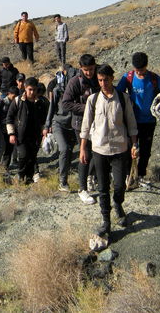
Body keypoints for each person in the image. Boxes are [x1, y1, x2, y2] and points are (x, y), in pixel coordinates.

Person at [80, 64, 138, 237]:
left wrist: (134, 144)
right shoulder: (93, 99)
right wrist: (83, 148)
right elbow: (86, 125)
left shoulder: (123, 98)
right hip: (99, 149)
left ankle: (118, 204)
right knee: (103, 187)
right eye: (100, 80)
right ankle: (106, 221)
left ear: (112, 78)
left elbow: (131, 123)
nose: (103, 83)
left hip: (120, 148)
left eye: (106, 79)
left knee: (120, 185)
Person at [116, 52, 160, 186]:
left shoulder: (153, 78)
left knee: (146, 150)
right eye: (137, 70)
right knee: (131, 149)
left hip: (149, 121)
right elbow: (118, 94)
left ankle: (140, 176)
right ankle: (128, 176)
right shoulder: (128, 77)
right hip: (131, 121)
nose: (140, 73)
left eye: (142, 70)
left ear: (146, 65)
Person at [61, 54, 100, 205]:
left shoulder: (99, 77)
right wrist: (87, 107)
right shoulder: (74, 82)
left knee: (99, 152)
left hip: (98, 123)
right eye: (86, 70)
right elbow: (66, 103)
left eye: (91, 69)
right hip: (80, 124)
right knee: (85, 154)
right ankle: (82, 189)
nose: (89, 72)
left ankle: (92, 177)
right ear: (80, 68)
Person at [43, 64, 79, 191]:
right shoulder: (57, 90)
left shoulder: (77, 89)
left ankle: (68, 174)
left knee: (69, 151)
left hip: (73, 124)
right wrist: (47, 126)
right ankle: (62, 181)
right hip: (58, 123)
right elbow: (52, 107)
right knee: (64, 149)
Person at [7, 77, 46, 184]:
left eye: (34, 89)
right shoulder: (18, 101)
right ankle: (20, 175)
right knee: (23, 155)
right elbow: (9, 117)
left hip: (35, 135)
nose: (32, 92)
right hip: (21, 135)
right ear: (25, 88)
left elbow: (44, 120)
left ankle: (29, 178)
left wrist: (44, 133)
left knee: (32, 157)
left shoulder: (40, 103)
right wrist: (11, 134)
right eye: (30, 89)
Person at [0, 86, 19, 170]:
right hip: (2, 127)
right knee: (1, 147)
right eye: (13, 96)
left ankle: (5, 166)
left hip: (11, 128)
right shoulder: (2, 102)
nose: (14, 98)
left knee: (9, 148)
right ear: (9, 94)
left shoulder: (16, 103)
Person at [33, 82, 50, 182]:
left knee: (34, 150)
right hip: (37, 128)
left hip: (40, 128)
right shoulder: (31, 101)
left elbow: (48, 115)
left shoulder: (43, 101)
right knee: (33, 150)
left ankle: (35, 171)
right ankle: (35, 171)